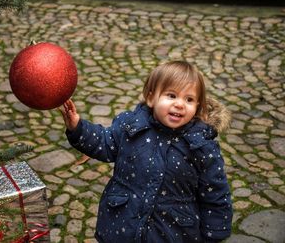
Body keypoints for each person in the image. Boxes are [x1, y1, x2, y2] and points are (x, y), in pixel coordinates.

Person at [59, 61, 233, 243]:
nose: (180, 104)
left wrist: (213, 235)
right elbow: (104, 142)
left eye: (189, 99)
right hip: (123, 226)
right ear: (151, 98)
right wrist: (78, 127)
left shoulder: (202, 148)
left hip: (172, 232)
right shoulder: (132, 127)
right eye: (171, 95)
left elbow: (215, 194)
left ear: (197, 106)